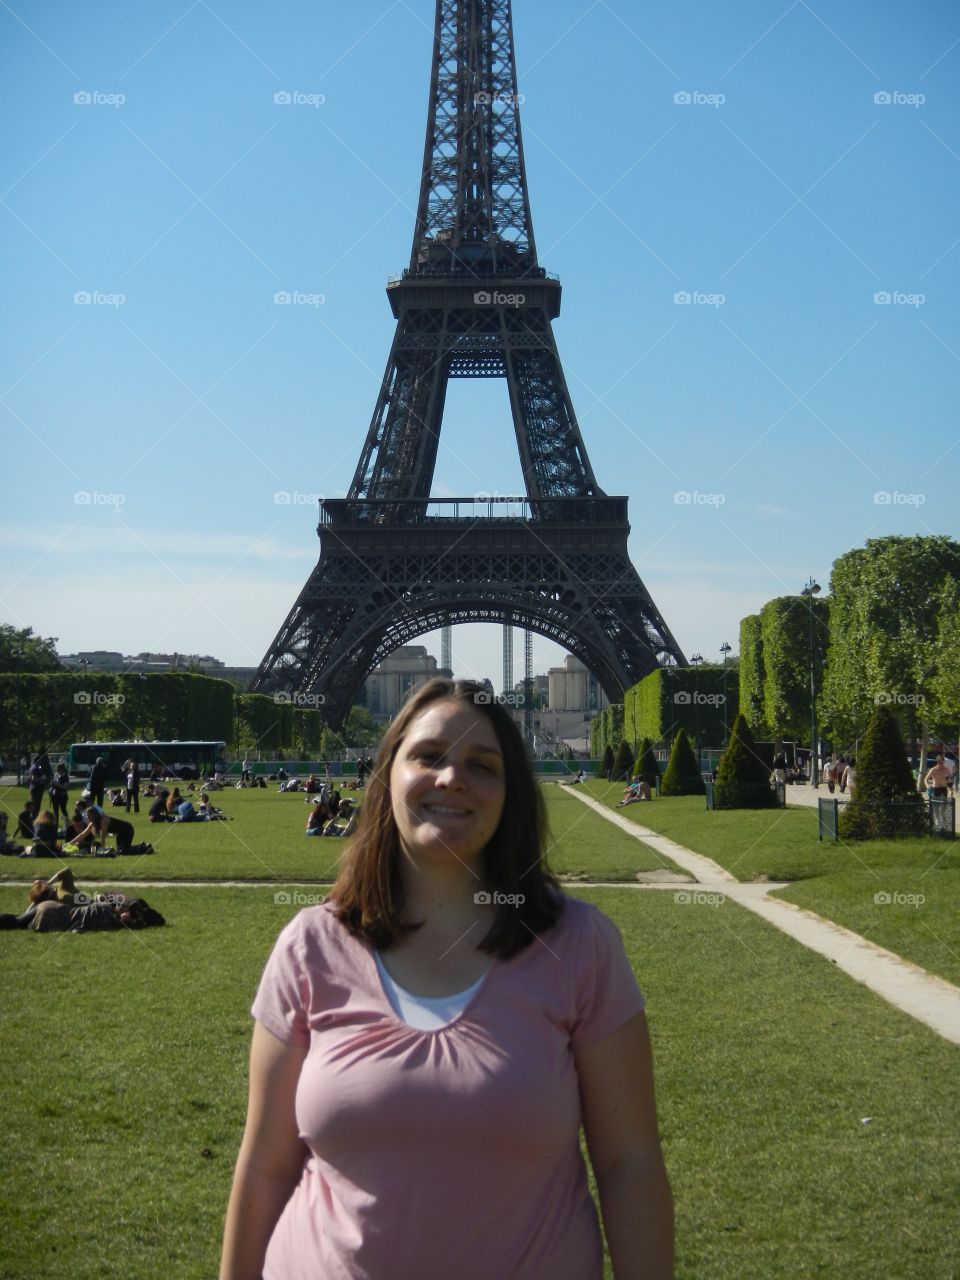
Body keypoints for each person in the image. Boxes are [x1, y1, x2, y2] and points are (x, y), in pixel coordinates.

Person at [219, 678, 673, 1280]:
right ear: (389, 775)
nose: (451, 778)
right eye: (428, 757)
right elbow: (265, 1166)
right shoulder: (310, 946)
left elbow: (629, 1165)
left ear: (510, 793)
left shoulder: (580, 948)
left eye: (481, 765)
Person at [71, 804, 153, 856]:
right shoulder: (92, 823)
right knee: (120, 851)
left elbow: (102, 836)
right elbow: (82, 835)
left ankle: (145, 848)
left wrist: (102, 851)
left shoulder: (104, 820)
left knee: (124, 852)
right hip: (120, 832)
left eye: (88, 816)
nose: (87, 818)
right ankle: (142, 845)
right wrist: (70, 843)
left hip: (127, 829)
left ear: (94, 815)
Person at [49, 762, 70, 826]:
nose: (57, 771)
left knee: (63, 810)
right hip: (55, 795)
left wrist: (57, 784)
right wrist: (52, 784)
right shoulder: (56, 775)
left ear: (62, 769)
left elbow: (65, 787)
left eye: (58, 769)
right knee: (55, 811)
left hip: (62, 795)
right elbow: (53, 784)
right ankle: (56, 824)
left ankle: (67, 824)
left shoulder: (65, 777)